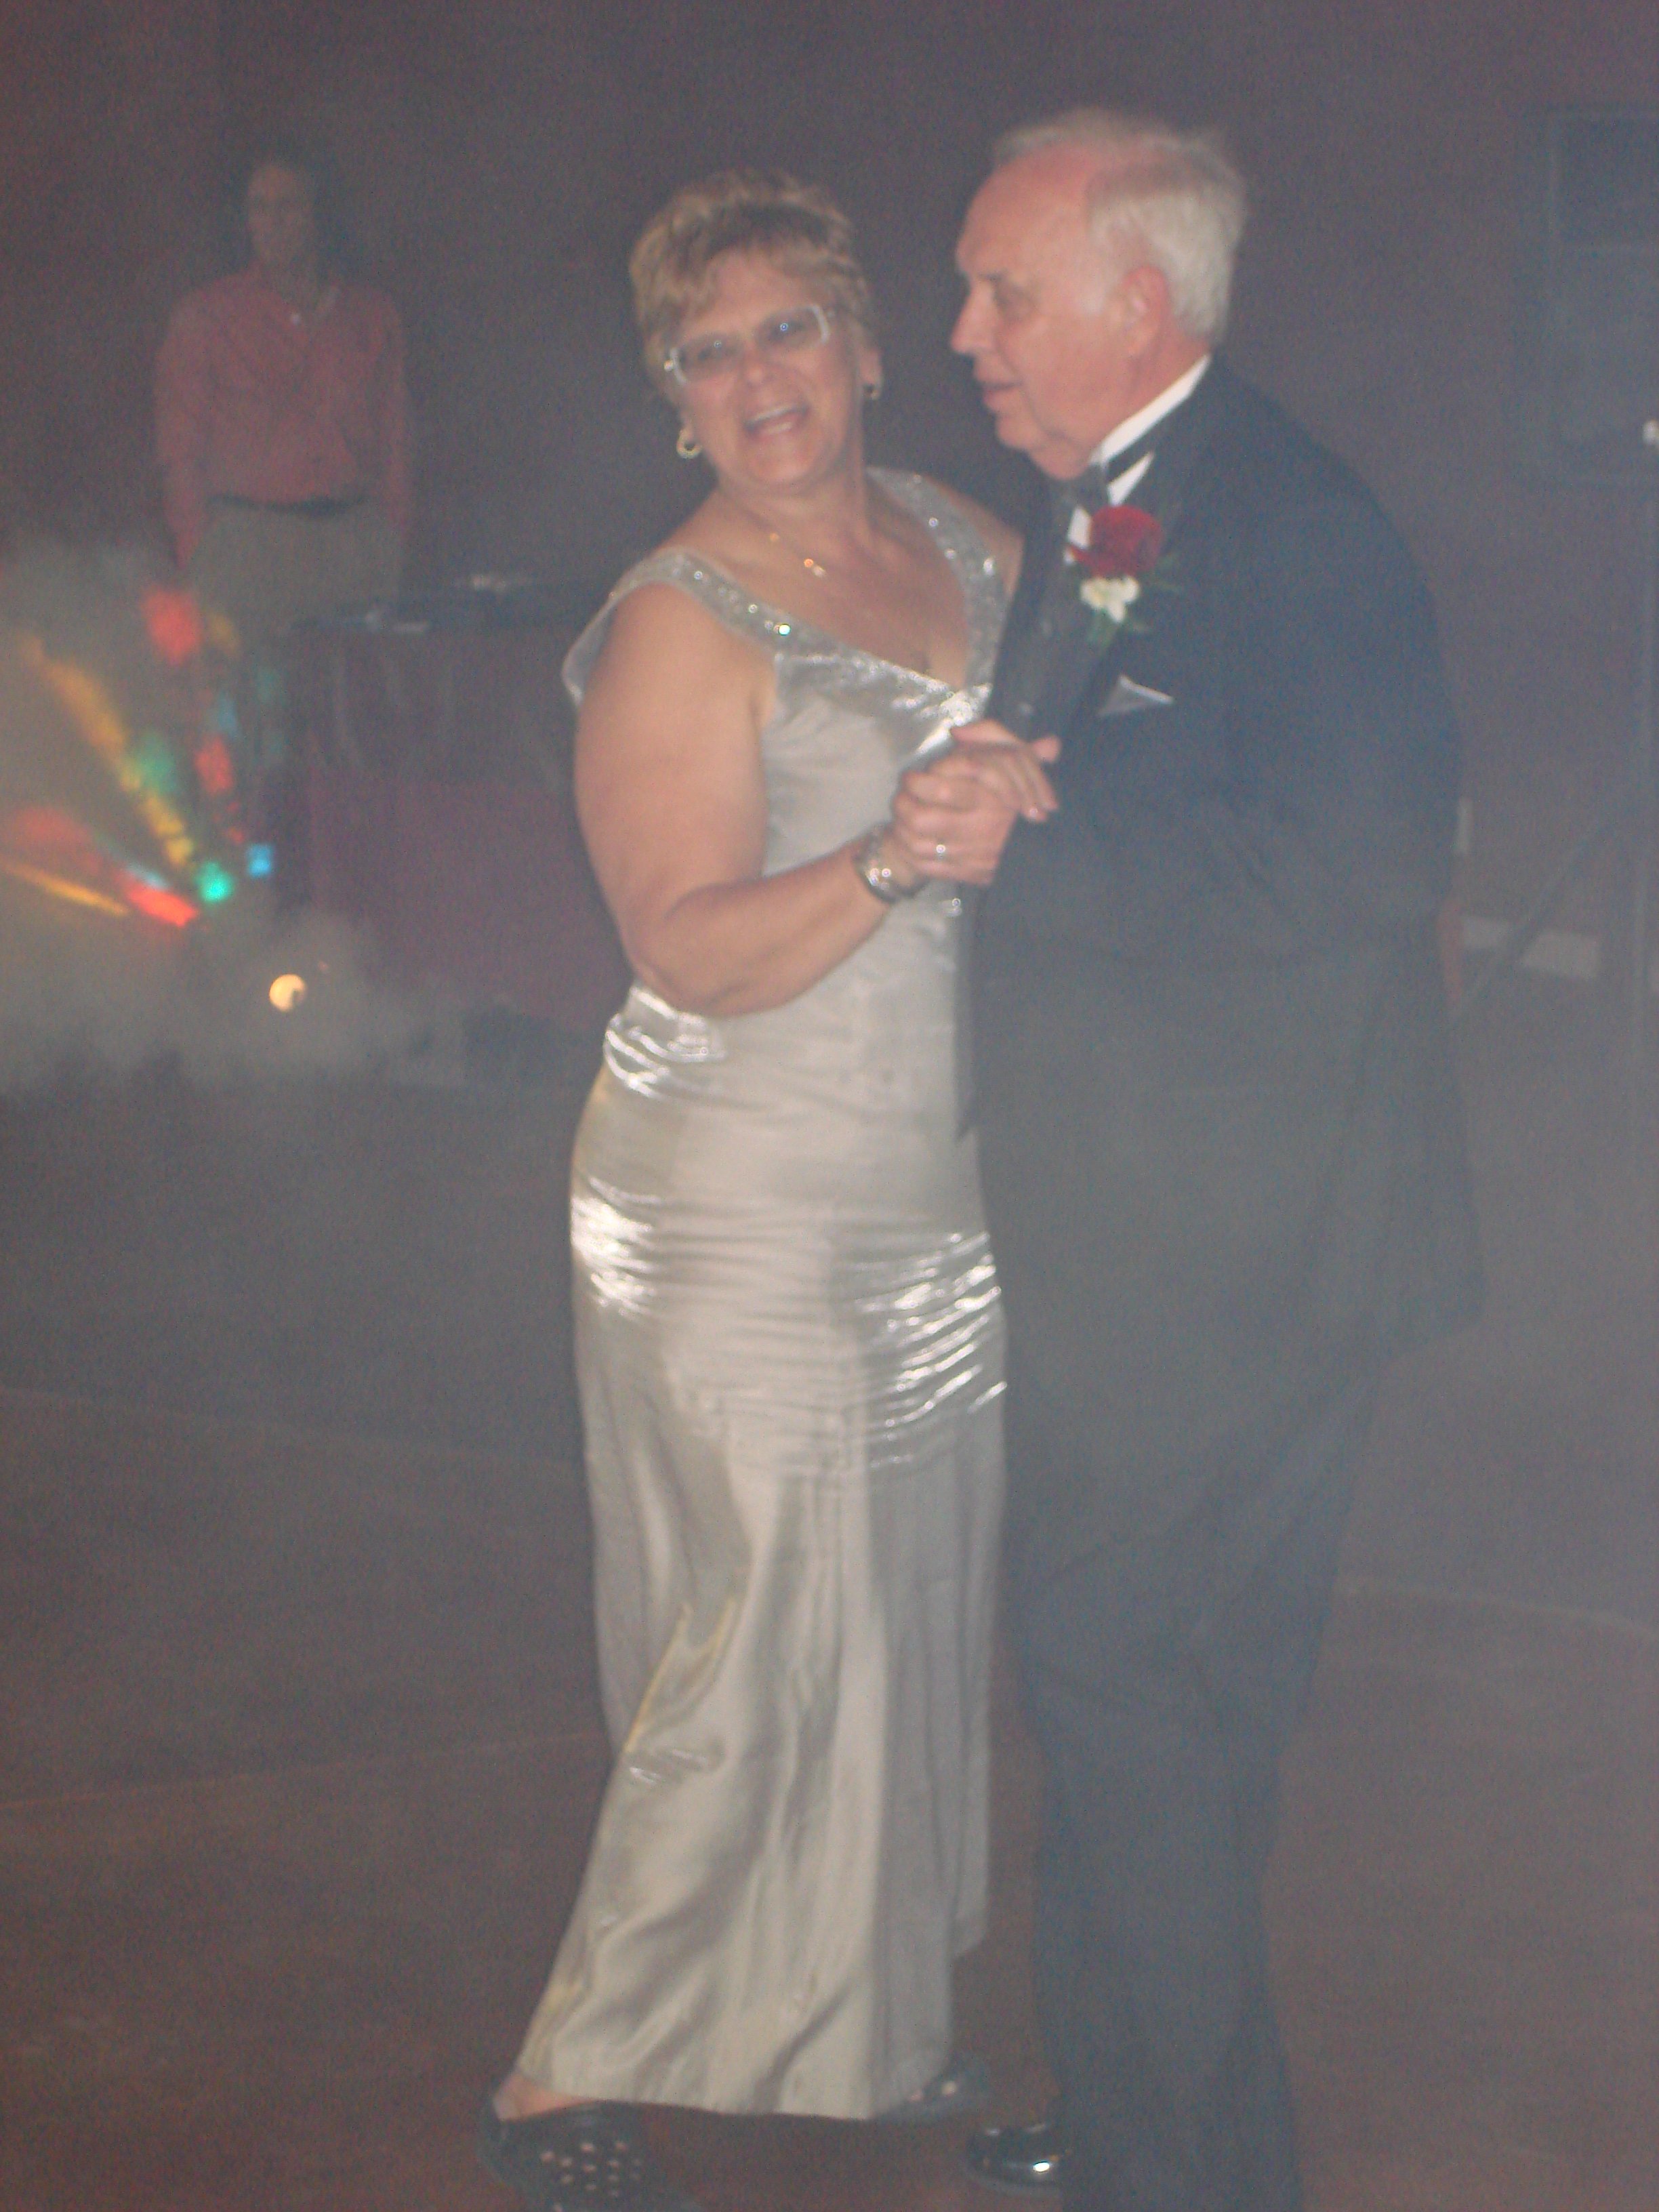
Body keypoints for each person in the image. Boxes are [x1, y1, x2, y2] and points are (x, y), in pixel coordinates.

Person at [890, 111, 1482, 2212]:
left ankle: (1193, 2170)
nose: (964, 331)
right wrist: (1026, 787)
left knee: (1127, 1687)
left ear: (1138, 301)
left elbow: (1371, 860)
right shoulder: (1128, 489)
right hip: (1180, 1225)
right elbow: (1173, 768)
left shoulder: (1292, 517)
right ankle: (1139, 2114)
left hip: (1231, 1250)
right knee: (1169, 1710)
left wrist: (1039, 848)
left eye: (1003, 289)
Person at [477, 171, 1056, 2212]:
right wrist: (896, 853)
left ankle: (851, 2019)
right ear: (673, 399)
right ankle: (569, 2068)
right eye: (705, 351)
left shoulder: (971, 543)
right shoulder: (678, 616)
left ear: (870, 344)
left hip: (934, 1190)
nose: (755, 375)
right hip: (739, 1196)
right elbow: (686, 948)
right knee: (757, 1633)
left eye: (787, 326)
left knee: (895, 1621)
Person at [155, 142, 411, 842]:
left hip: (349, 543)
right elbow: (179, 451)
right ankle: (249, 882)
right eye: (259, 208)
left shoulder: (370, 316)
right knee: (243, 738)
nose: (273, 223)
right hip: (250, 546)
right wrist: (202, 550)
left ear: (319, 215)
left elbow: (395, 440)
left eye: (289, 206)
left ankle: (345, 872)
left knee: (349, 730)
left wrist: (389, 541)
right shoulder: (207, 317)